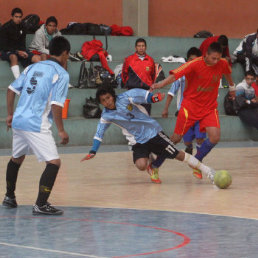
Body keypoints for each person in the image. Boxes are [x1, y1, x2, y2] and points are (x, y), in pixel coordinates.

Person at [80, 86, 216, 185]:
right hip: (137, 140)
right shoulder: (106, 115)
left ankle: (208, 171)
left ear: (113, 95)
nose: (107, 101)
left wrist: (154, 98)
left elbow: (144, 96)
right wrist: (93, 150)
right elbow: (99, 132)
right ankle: (151, 161)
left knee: (179, 155)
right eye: (103, 100)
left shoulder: (126, 97)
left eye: (108, 97)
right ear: (101, 103)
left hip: (153, 132)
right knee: (141, 166)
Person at [2, 36, 71, 215]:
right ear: (65, 54)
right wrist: (61, 130)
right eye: (68, 55)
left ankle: (9, 197)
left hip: (19, 120)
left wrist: (10, 114)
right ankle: (41, 204)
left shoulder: (32, 67)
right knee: (54, 163)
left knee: (16, 158)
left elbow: (10, 90)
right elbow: (56, 105)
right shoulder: (61, 74)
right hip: (35, 123)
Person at [152, 42, 236, 179]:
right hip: (190, 107)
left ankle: (196, 162)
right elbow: (175, 76)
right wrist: (161, 84)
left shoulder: (222, 63)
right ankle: (155, 165)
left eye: (218, 58)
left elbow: (227, 73)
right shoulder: (194, 64)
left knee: (215, 137)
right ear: (206, 55)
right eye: (213, 58)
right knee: (175, 139)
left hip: (209, 107)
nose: (216, 61)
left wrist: (232, 88)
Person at [162, 47, 206, 175]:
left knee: (200, 139)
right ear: (187, 61)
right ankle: (189, 147)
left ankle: (198, 164)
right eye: (190, 60)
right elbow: (171, 93)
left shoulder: (203, 76)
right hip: (185, 113)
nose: (193, 62)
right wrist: (165, 109)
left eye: (196, 60)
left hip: (200, 113)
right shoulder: (181, 76)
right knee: (186, 140)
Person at [0, 8, 40, 79]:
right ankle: (18, 82)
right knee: (13, 57)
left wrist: (23, 52)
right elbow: (4, 46)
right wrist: (17, 51)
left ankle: (37, 81)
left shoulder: (23, 26)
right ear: (12, 17)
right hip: (7, 51)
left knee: (37, 58)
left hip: (20, 51)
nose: (18, 19)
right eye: (16, 17)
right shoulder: (5, 27)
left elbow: (22, 43)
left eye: (20, 17)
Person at [122, 38, 155, 114]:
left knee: (146, 115)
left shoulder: (150, 60)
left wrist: (149, 86)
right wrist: (129, 85)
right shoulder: (129, 59)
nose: (141, 48)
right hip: (132, 91)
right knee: (132, 115)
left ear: (146, 47)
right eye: (139, 46)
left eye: (143, 46)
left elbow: (153, 75)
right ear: (135, 47)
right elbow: (124, 75)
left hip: (146, 92)